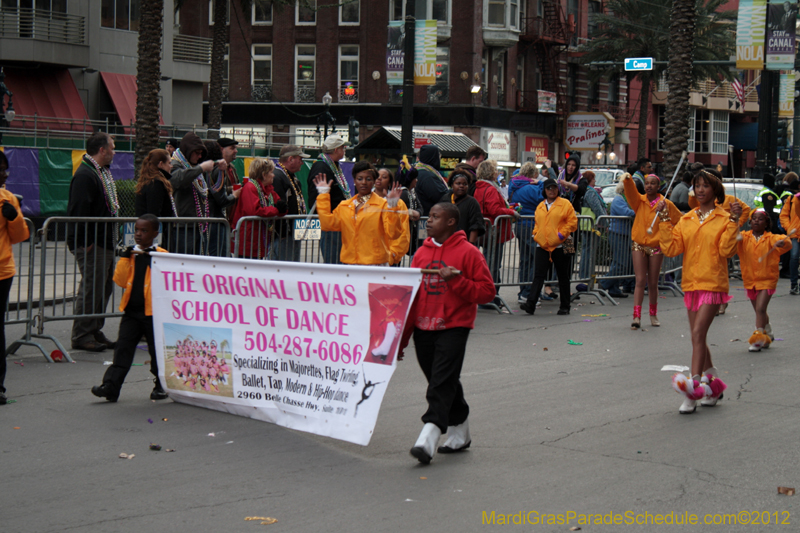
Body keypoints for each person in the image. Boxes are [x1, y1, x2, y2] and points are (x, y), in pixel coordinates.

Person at [401, 202, 496, 464]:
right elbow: (412, 297)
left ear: (451, 222)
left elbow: (487, 292)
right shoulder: (421, 253)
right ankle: (460, 432)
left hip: (454, 326)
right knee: (442, 379)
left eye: (435, 217)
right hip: (423, 327)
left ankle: (429, 434)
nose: (428, 221)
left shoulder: (469, 253)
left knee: (441, 380)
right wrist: (402, 338)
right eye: (429, 216)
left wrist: (456, 281)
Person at [656, 169, 741, 414]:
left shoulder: (725, 218)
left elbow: (727, 251)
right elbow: (672, 248)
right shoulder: (687, 219)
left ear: (715, 189)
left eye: (705, 185)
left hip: (713, 283)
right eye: (697, 186)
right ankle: (714, 386)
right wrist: (663, 220)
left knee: (697, 333)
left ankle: (692, 390)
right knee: (698, 338)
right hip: (691, 284)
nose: (700, 190)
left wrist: (734, 222)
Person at [91, 214, 169, 402]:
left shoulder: (162, 255)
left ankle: (161, 385)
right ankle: (111, 386)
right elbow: (120, 280)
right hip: (131, 313)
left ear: (154, 233)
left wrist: (155, 261)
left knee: (156, 351)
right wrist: (125, 259)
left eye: (144, 231)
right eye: (136, 230)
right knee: (123, 349)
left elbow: (168, 281)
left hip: (153, 314)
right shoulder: (131, 255)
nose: (139, 234)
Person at [67, 132, 120, 352]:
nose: (114, 151)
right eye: (113, 147)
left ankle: (94, 327)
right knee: (92, 288)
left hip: (104, 242)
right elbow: (78, 210)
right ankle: (82, 334)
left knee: (104, 287)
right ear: (102, 150)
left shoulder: (101, 173)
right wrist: (84, 242)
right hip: (93, 244)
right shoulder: (85, 175)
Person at [314, 161, 408, 266]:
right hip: (351, 263)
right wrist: (323, 195)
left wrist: (392, 208)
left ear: (373, 182)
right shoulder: (345, 205)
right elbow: (328, 224)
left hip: (375, 263)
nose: (364, 182)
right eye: (360, 179)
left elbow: (393, 234)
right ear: (354, 180)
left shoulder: (383, 205)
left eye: (368, 179)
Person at [623, 172, 682, 328]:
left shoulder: (665, 203)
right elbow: (630, 192)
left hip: (656, 246)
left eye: (652, 183)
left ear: (658, 186)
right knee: (640, 280)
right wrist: (628, 180)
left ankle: (653, 314)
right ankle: (636, 316)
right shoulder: (639, 201)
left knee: (653, 282)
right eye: (647, 183)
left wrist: (665, 219)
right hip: (639, 244)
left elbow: (680, 221)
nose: (649, 186)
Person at [519, 178, 578, 315]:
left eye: (554, 188)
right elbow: (537, 224)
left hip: (562, 244)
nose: (552, 190)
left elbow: (572, 223)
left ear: (558, 189)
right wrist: (536, 234)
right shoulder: (540, 206)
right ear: (544, 191)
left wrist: (561, 235)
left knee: (563, 276)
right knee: (538, 275)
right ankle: (530, 304)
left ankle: (565, 306)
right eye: (549, 188)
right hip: (544, 245)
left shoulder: (565, 204)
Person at [0, 151, 30, 405]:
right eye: (0, 170)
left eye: (4, 170)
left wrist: (14, 217)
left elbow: (20, 235)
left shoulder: (8, 199)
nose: (3, 175)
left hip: (2, 272)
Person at [737, 210, 790, 352]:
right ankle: (768, 333)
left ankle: (758, 339)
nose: (756, 221)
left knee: (760, 309)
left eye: (760, 219)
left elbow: (787, 242)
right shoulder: (744, 237)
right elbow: (732, 238)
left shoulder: (772, 238)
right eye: (753, 218)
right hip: (750, 280)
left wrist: (782, 243)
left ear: (766, 223)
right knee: (759, 311)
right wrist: (735, 219)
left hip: (767, 279)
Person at [474, 160, 520, 307]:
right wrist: (511, 212)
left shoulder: (478, 187)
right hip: (495, 231)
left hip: (485, 230)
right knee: (493, 265)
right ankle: (490, 297)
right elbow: (494, 210)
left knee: (488, 264)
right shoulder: (491, 189)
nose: (497, 173)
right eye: (495, 170)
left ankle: (490, 296)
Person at [170, 132, 216, 255]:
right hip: (183, 227)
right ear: (188, 151)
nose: (200, 157)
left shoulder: (192, 166)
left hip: (196, 225)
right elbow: (178, 179)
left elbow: (204, 190)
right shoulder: (175, 164)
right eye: (197, 153)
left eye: (201, 153)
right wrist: (201, 168)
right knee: (183, 264)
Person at [230, 158, 287, 259]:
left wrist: (282, 209)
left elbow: (279, 206)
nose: (273, 175)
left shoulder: (268, 190)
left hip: (259, 238)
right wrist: (277, 210)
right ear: (264, 175)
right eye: (271, 172)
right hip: (249, 239)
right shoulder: (250, 187)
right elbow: (255, 211)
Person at [307, 134, 349, 264]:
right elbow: (316, 197)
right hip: (330, 222)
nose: (345, 150)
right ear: (336, 150)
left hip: (338, 221)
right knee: (334, 260)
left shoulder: (333, 166)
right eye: (343, 148)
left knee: (340, 259)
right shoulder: (321, 167)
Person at [509, 162, 546, 303]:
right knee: (536, 260)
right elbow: (544, 195)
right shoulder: (531, 188)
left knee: (525, 260)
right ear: (534, 174)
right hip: (532, 225)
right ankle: (529, 292)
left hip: (520, 225)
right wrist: (541, 183)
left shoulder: (515, 186)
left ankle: (523, 292)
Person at [272, 145, 310, 262]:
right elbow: (279, 205)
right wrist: (282, 232)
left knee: (293, 264)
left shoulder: (290, 176)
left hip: (293, 231)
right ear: (290, 159)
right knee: (285, 265)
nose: (302, 163)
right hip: (284, 234)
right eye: (300, 159)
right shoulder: (278, 177)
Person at [599, 179, 635, 298]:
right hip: (617, 233)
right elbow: (626, 212)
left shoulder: (626, 199)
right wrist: (638, 210)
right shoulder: (619, 199)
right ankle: (604, 283)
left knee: (618, 262)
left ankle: (613, 289)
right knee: (621, 264)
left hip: (623, 234)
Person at [203, 140, 240, 257]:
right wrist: (234, 195)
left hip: (220, 220)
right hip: (215, 220)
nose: (236, 151)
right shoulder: (216, 170)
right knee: (218, 257)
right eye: (232, 148)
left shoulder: (230, 169)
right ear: (221, 150)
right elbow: (221, 198)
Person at [135, 149, 177, 250]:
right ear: (161, 164)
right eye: (169, 163)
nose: (171, 166)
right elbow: (153, 212)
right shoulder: (156, 183)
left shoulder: (150, 181)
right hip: (156, 237)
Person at [576, 171, 608, 281]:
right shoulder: (590, 192)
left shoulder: (589, 191)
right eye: (593, 178)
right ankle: (585, 275)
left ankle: (585, 274)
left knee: (588, 250)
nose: (595, 180)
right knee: (589, 251)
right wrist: (606, 222)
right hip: (593, 226)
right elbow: (597, 208)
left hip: (590, 225)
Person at [441, 170, 484, 246]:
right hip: (446, 242)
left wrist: (470, 244)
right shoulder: (445, 199)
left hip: (464, 243)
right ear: (452, 185)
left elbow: (475, 226)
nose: (462, 186)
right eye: (458, 183)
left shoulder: (472, 202)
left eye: (465, 184)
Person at [414, 144, 449, 216]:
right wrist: (453, 191)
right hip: (429, 216)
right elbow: (441, 196)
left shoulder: (418, 171)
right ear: (433, 158)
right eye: (438, 157)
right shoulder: (428, 176)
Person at [780, 180, 800, 294]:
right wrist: (788, 227)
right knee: (794, 257)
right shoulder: (792, 199)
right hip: (795, 233)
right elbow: (783, 215)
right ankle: (794, 284)